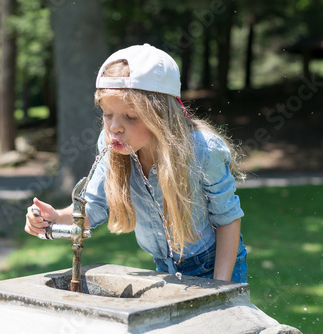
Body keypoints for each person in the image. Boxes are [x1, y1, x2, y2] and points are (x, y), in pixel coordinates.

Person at [25, 43, 247, 283]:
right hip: (163, 265)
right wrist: (55, 216)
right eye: (107, 114)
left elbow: (228, 220)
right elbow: (94, 206)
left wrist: (221, 287)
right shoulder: (111, 145)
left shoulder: (202, 150)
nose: (114, 127)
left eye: (130, 116)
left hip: (215, 264)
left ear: (161, 115)